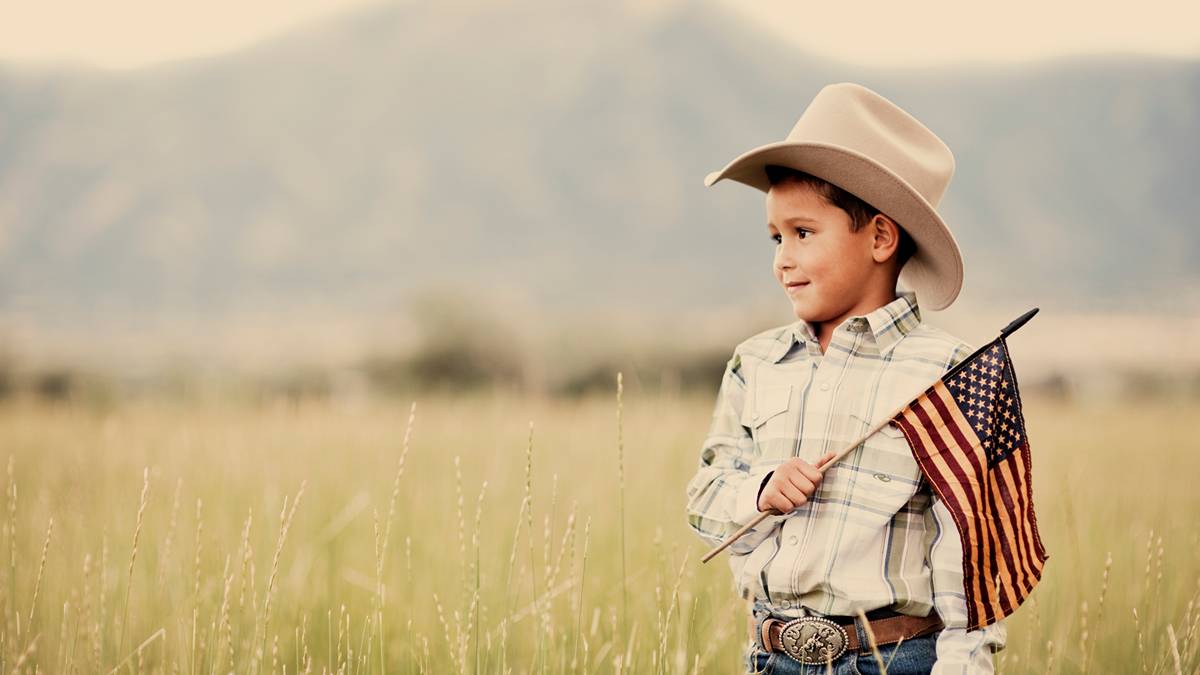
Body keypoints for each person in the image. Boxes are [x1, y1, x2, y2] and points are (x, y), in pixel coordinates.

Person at [684, 82, 1006, 674]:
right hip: (771, 656)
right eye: (776, 237)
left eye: (803, 233)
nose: (782, 257)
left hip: (896, 658)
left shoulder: (947, 375)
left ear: (881, 237)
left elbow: (972, 554)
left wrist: (965, 666)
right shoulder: (756, 364)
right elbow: (705, 499)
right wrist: (759, 492)